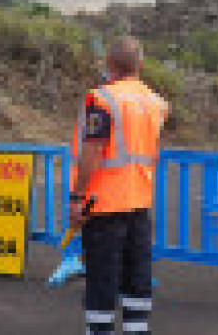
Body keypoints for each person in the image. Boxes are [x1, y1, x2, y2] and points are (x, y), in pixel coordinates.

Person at [69, 35, 170, 335]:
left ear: (109, 63)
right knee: (136, 277)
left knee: (102, 277)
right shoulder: (155, 103)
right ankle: (137, 330)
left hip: (103, 206)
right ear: (140, 64)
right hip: (139, 205)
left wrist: (77, 197)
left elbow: (93, 151)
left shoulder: (103, 99)